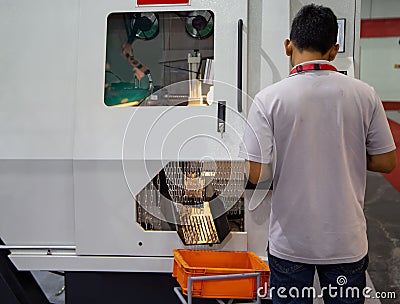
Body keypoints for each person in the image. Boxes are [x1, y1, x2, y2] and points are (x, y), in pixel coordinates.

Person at [239, 4, 396, 304]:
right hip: (346, 242)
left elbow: (256, 173)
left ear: (288, 46)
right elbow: (387, 161)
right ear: (334, 51)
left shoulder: (268, 99)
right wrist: (343, 154)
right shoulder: (365, 94)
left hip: (290, 243)